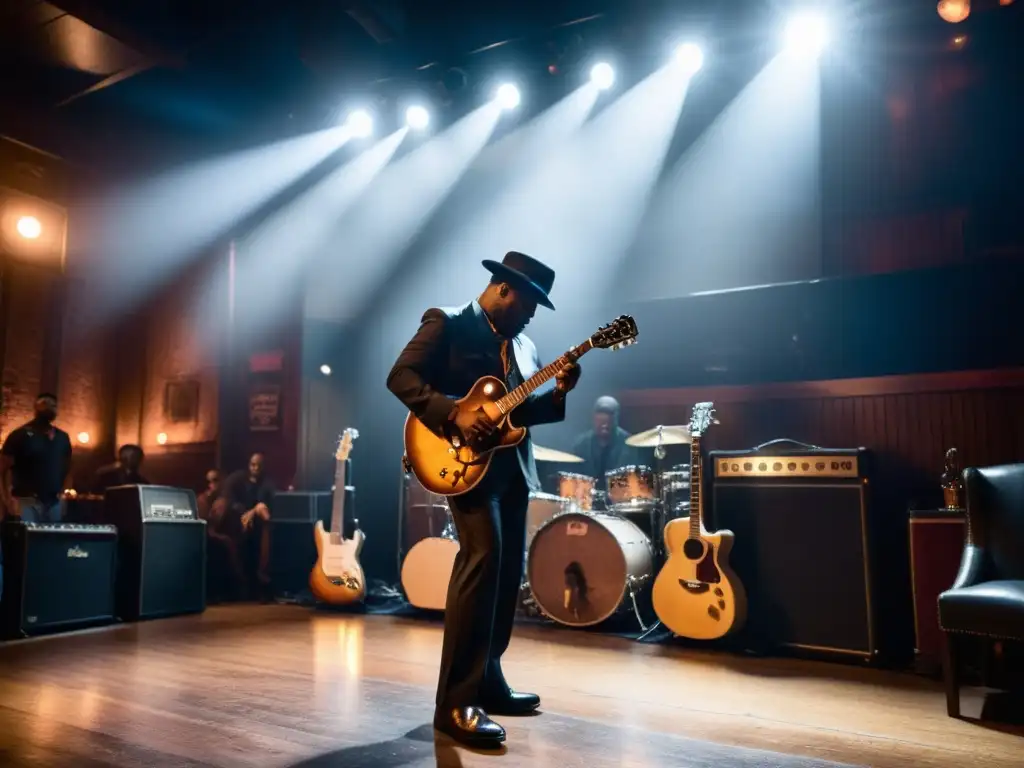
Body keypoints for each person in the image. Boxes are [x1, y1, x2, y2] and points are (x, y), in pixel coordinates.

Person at [387, 250, 581, 748]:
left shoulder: (526, 345)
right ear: (503, 289)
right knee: (482, 562)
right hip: (463, 466)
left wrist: (558, 392)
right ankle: (454, 702)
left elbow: (525, 415)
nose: (534, 313)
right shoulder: (448, 323)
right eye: (530, 302)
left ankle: (488, 681)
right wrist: (452, 414)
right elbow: (402, 377)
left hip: (513, 470)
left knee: (504, 574)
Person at [0, 393, 73, 523]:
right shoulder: (20, 435)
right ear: (36, 407)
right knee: (27, 540)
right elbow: (3, 469)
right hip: (26, 500)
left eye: (54, 405)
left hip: (54, 502)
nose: (50, 407)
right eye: (45, 404)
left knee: (51, 541)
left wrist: (64, 496)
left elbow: (68, 468)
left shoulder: (62, 437)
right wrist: (7, 500)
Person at [221, 453, 274, 600]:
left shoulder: (266, 482)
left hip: (257, 524)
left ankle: (261, 584)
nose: (255, 468)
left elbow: (263, 505)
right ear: (248, 465)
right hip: (235, 522)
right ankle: (242, 586)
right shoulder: (238, 479)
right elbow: (229, 499)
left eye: (259, 465)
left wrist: (252, 513)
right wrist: (245, 514)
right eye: (253, 465)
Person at [570, 396, 641, 491]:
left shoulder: (629, 444)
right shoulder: (581, 444)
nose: (605, 424)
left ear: (616, 418)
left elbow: (633, 478)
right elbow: (574, 477)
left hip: (619, 497)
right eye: (601, 420)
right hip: (587, 498)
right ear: (594, 418)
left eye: (609, 418)